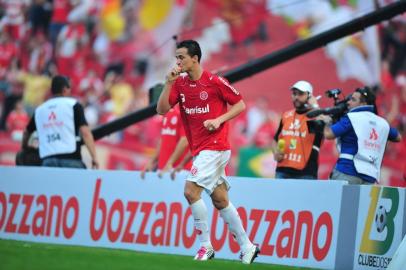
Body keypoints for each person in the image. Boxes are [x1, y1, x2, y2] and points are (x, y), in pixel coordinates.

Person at [156, 40, 259, 264]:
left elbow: (240, 104)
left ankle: (205, 247)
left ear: (195, 58)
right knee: (220, 200)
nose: (178, 61)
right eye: (176, 57)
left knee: (190, 191)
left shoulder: (214, 81)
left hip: (215, 147)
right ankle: (248, 246)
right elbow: (161, 110)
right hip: (201, 150)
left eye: (181, 57)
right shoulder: (180, 84)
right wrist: (168, 84)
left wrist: (219, 119)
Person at [320, 86, 401, 184]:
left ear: (363, 103)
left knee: (337, 199)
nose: (348, 102)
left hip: (346, 171)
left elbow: (328, 134)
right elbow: (398, 137)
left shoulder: (351, 118)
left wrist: (326, 121)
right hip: (370, 176)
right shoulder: (382, 123)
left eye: (353, 100)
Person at [21, 75, 99, 169]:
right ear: (65, 90)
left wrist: (25, 147)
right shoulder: (74, 105)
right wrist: (94, 157)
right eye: (69, 88)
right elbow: (86, 133)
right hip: (71, 159)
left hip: (47, 160)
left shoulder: (39, 110)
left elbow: (26, 132)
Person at [272, 80, 322, 179]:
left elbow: (326, 128)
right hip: (282, 170)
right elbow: (275, 140)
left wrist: (315, 106)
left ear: (309, 96)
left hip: (305, 172)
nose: (296, 97)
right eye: (294, 94)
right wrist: (276, 152)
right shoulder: (286, 115)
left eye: (300, 94)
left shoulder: (314, 116)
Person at [141, 105, 190, 179]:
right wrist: (152, 161)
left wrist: (169, 163)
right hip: (163, 169)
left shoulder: (187, 110)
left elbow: (185, 140)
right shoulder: (168, 110)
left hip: (179, 171)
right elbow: (163, 138)